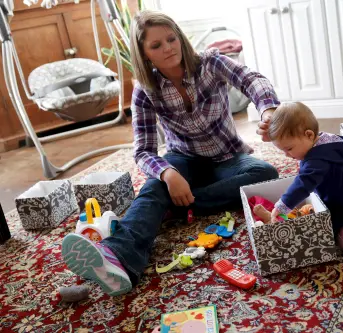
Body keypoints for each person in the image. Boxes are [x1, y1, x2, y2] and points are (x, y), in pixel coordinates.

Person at [61, 10, 280, 296]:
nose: (168, 48)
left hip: (228, 157)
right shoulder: (144, 90)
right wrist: (168, 173)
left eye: (171, 39)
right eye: (156, 45)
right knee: (155, 186)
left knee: (266, 174)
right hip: (182, 160)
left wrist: (268, 109)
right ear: (144, 55)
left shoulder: (210, 63)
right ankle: (119, 255)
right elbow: (143, 151)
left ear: (180, 38)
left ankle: (179, 204)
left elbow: (252, 80)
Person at [266, 102, 343, 252]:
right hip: (339, 193)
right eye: (283, 151)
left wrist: (283, 204)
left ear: (309, 135)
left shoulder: (317, 161)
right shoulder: (321, 140)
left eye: (289, 149)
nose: (287, 155)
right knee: (325, 230)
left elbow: (304, 182)